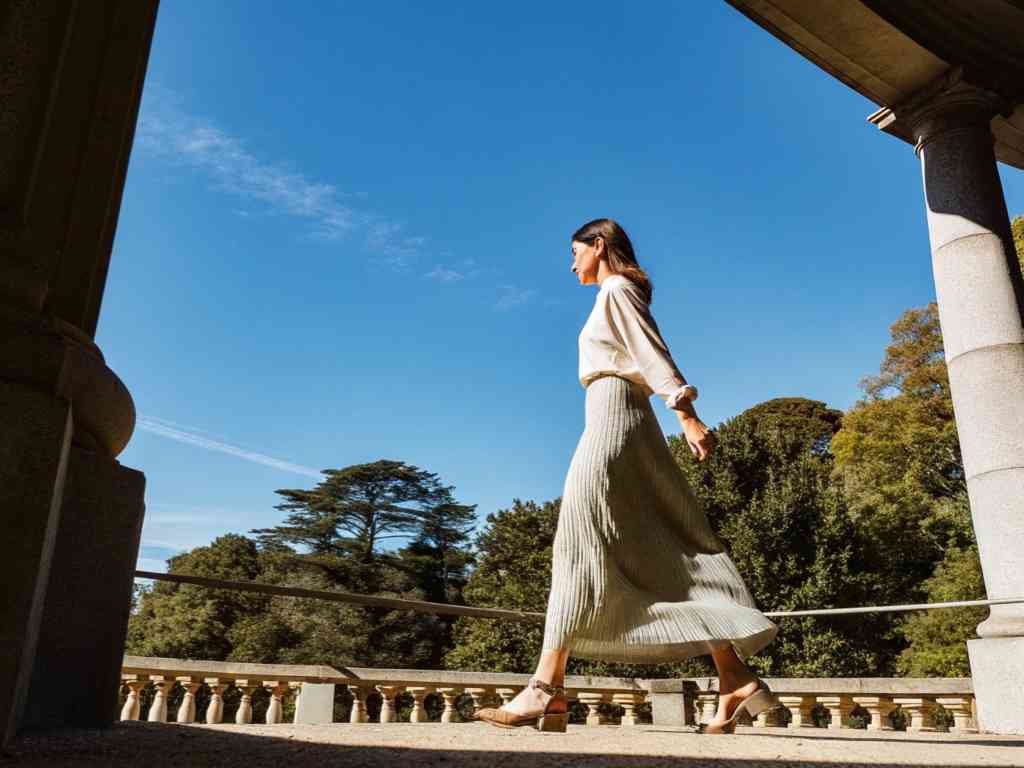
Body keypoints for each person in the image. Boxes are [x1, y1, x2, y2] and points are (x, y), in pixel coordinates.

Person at [474, 218, 779, 734]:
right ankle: (735, 680)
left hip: (616, 419)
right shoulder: (614, 293)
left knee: (577, 543)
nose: (572, 265)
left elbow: (650, 350)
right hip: (616, 417)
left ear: (599, 246)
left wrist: (685, 411)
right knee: (659, 551)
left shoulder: (616, 289)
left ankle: (545, 688)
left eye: (576, 253)